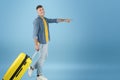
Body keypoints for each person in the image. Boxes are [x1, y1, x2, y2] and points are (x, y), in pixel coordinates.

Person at [28, 5, 71, 80]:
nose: (42, 11)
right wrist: (36, 44)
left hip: (46, 42)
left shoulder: (44, 19)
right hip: (41, 43)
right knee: (42, 58)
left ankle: (32, 67)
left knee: (44, 57)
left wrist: (64, 20)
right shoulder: (36, 21)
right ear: (37, 12)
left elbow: (54, 20)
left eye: (42, 9)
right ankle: (39, 75)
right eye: (40, 10)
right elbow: (34, 35)